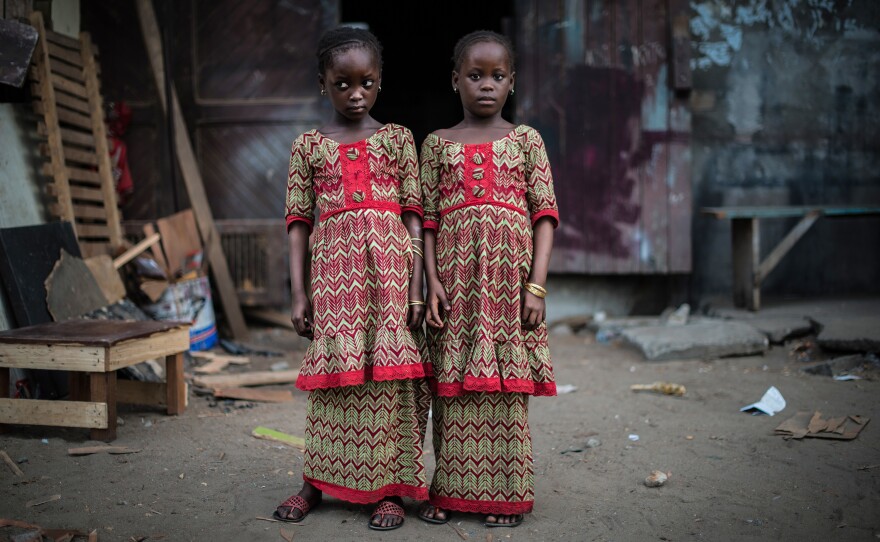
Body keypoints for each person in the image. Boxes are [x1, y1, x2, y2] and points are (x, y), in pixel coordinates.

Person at [274, 26, 431, 531]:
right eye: (342, 84)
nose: (355, 93)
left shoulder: (399, 139)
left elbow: (412, 215)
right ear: (323, 84)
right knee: (335, 381)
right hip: (333, 276)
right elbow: (299, 222)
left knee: (387, 382)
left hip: (388, 274)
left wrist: (414, 286)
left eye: (366, 82)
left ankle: (386, 488)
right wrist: (298, 292)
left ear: (380, 81)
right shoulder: (308, 146)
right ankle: (316, 481)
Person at [417, 30, 559, 528]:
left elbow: (544, 214)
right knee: (452, 386)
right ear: (455, 80)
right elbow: (428, 220)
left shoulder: (526, 141)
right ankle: (450, 490)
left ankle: (507, 495)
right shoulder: (436, 144)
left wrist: (536, 286)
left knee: (504, 387)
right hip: (455, 286)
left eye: (497, 76)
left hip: (508, 288)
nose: (486, 86)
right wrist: (430, 282)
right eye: (475, 75)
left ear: (512, 82)